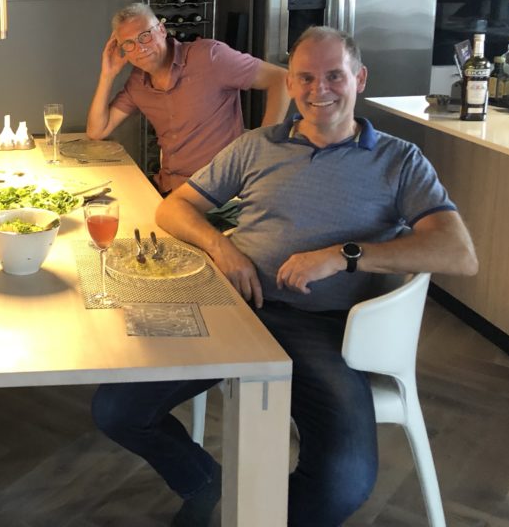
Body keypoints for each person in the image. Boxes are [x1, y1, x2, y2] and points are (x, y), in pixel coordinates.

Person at [91, 27, 478, 527]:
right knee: (118, 410)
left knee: (344, 483)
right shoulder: (258, 146)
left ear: (360, 78)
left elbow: (458, 252)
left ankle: (256, 516)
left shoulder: (398, 160)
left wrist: (343, 256)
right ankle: (208, 485)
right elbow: (174, 208)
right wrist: (222, 248)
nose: (320, 90)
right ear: (290, 84)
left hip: (320, 327)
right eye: (306, 78)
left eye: (334, 76)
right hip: (232, 308)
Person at [86, 3, 289, 194]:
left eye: (145, 36)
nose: (140, 48)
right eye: (129, 44)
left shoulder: (209, 56)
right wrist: (107, 75)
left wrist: (264, 146)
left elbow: (281, 79)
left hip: (218, 195)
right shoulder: (138, 82)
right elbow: (97, 130)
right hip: (169, 189)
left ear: (162, 30)